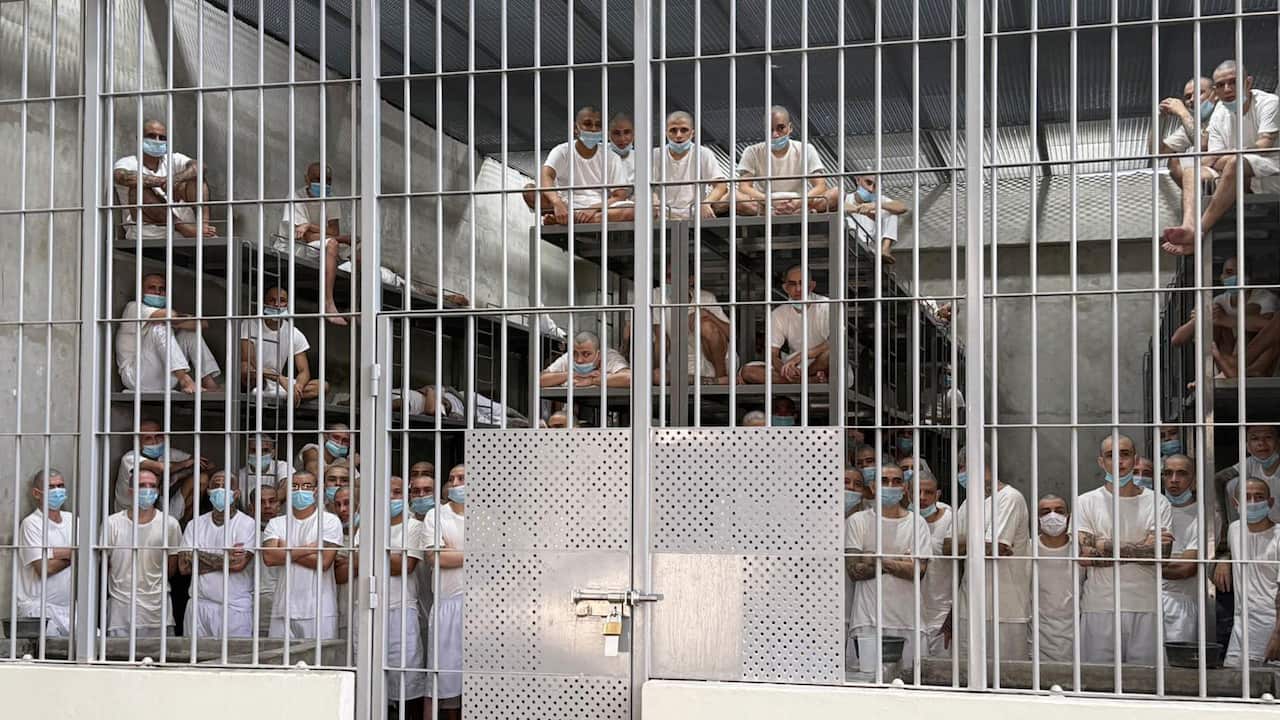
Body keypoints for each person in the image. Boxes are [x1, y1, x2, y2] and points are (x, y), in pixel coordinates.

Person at [1162, 60, 1280, 255]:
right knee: (1192, 170)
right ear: (1216, 91)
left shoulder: (1268, 103)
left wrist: (1228, 157)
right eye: (1221, 85)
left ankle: (1198, 232)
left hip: (1271, 170)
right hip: (1236, 173)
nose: (1227, 89)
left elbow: (1264, 147)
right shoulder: (1220, 114)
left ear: (1248, 82)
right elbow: (1211, 159)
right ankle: (1188, 226)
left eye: (1234, 82)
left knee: (1234, 162)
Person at [1075, 433, 1174, 664]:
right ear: (1101, 462)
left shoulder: (1157, 501)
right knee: (1097, 686)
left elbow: (1162, 555)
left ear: (1135, 459)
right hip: (1100, 606)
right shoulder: (1086, 502)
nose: (1119, 461)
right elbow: (1086, 556)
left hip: (1146, 606)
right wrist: (1143, 548)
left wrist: (1103, 544)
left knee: (1148, 687)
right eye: (1111, 456)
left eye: (1125, 455)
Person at [340, 476, 427, 705]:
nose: (391, 498)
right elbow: (354, 566)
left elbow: (405, 567)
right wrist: (389, 556)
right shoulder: (365, 528)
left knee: (406, 680)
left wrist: (369, 555)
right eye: (386, 492)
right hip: (367, 610)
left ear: (405, 496)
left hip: (401, 609)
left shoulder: (414, 527)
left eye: (396, 492)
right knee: (368, 680)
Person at [947, 443, 1032, 661]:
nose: (959, 474)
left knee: (1007, 681)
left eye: (961, 467)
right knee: (967, 677)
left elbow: (997, 547)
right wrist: (979, 541)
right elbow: (947, 547)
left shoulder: (1009, 498)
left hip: (1006, 611)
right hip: (969, 609)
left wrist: (966, 542)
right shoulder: (968, 503)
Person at [845, 462, 933, 670]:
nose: (890, 485)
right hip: (868, 621)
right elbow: (854, 571)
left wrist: (876, 559)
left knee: (913, 686)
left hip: (909, 620)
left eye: (897, 481)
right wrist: (900, 561)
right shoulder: (858, 521)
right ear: (873, 487)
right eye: (884, 481)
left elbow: (917, 571)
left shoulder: (917, 523)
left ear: (904, 488)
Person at [262, 471, 344, 640]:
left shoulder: (329, 521)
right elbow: (269, 558)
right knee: (280, 664)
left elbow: (324, 562)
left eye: (306, 486)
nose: (300, 490)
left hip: (319, 610)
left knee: (320, 664)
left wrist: (287, 549)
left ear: (316, 490)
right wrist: (309, 549)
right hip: (282, 609)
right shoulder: (276, 523)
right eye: (294, 486)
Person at [102, 469, 183, 637]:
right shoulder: (112, 523)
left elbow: (172, 569)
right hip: (121, 609)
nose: (148, 490)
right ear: (130, 491)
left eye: (152, 486)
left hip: (157, 609)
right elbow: (104, 565)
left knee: (160, 660)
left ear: (159, 490)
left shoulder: (170, 524)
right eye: (141, 485)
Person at [522, 106, 634, 225]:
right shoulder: (562, 151)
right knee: (529, 191)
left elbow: (620, 196)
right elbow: (546, 175)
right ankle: (570, 217)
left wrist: (593, 208)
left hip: (600, 208)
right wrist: (557, 203)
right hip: (566, 207)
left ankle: (570, 220)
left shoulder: (611, 156)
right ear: (576, 128)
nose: (593, 129)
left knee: (632, 211)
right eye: (588, 124)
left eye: (598, 125)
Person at [178, 471, 257, 638]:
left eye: (226, 486)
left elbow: (238, 565)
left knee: (234, 661)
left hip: (234, 608)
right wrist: (226, 559)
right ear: (208, 491)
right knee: (194, 660)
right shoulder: (195, 524)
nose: (220, 490)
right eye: (215, 486)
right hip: (198, 607)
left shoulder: (248, 524)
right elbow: (184, 567)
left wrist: (197, 555)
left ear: (236, 493)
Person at [1171, 257, 1278, 378]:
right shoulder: (1220, 301)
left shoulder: (1264, 297)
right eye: (1227, 272)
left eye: (1235, 272)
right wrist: (1199, 319)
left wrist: (1226, 319)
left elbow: (1270, 327)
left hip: (1254, 359)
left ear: (1248, 277)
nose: (1230, 277)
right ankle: (1211, 373)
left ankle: (1245, 367)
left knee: (1250, 316)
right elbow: (1177, 340)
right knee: (1214, 318)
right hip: (1226, 356)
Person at [114, 273, 221, 393]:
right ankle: (185, 380)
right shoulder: (133, 307)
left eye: (162, 289)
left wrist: (176, 322)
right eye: (152, 288)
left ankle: (209, 383)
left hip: (164, 376)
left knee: (189, 334)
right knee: (160, 325)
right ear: (141, 291)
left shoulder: (162, 313)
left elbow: (202, 324)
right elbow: (169, 316)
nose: (158, 292)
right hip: (137, 376)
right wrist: (178, 320)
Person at [112, 118, 214, 239]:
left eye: (162, 138)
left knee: (196, 178)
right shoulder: (127, 162)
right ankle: (182, 227)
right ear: (139, 138)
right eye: (151, 136)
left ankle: (203, 227)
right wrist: (164, 182)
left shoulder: (173, 159)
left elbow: (200, 166)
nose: (157, 141)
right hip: (147, 233)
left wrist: (176, 180)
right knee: (138, 189)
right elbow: (122, 177)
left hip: (186, 233)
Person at [278, 163, 353, 325]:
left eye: (328, 181)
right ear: (307, 179)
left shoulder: (331, 198)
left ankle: (358, 306)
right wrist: (337, 238)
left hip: (317, 246)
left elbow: (333, 230)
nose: (323, 184)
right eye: (318, 179)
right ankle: (328, 303)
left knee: (359, 246)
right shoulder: (295, 197)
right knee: (332, 244)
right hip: (294, 247)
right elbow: (307, 238)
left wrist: (309, 225)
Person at [1218, 479, 1280, 667]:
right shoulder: (1234, 530)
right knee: (1236, 687)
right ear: (1236, 504)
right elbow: (1229, 548)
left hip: (1272, 627)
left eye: (1259, 497)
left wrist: (1278, 635)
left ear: (1270, 502)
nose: (1252, 502)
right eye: (1246, 497)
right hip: (1241, 627)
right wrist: (1224, 559)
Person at [421, 464, 466, 718]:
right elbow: (436, 558)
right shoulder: (436, 515)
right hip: (447, 603)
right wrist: (478, 554)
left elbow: (498, 560)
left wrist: (452, 551)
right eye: (452, 478)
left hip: (481, 607)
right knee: (441, 682)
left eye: (462, 478)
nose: (456, 483)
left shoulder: (487, 516)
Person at [740, 265, 831, 384]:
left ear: (812, 286)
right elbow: (772, 354)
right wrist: (784, 369)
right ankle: (806, 381)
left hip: (817, 364)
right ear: (785, 287)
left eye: (802, 283)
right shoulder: (778, 313)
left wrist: (801, 356)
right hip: (794, 367)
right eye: (793, 284)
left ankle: (801, 379)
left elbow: (833, 342)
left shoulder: (826, 306)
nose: (798, 289)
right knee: (748, 372)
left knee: (831, 354)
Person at [735, 106, 829, 215]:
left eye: (780, 128)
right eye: (770, 130)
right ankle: (782, 212)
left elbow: (821, 185)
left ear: (790, 128)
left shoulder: (806, 149)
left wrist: (799, 202)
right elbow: (744, 187)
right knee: (734, 196)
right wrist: (769, 201)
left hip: (799, 201)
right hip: (764, 204)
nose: (775, 134)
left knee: (837, 192)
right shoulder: (752, 151)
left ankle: (797, 210)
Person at [241, 286, 327, 403]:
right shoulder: (250, 324)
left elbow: (304, 371)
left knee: (323, 386)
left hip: (279, 384)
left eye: (282, 300)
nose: (277, 304)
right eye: (272, 300)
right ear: (264, 303)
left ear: (287, 304)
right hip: (258, 379)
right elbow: (249, 360)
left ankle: (288, 396)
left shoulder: (293, 332)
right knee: (246, 368)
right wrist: (279, 378)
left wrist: (299, 387)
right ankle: (283, 395)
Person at [114, 419, 209, 524]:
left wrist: (181, 474)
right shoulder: (130, 458)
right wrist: (184, 464)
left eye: (158, 436)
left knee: (202, 479)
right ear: (138, 442)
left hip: (159, 507)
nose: (155, 442)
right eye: (148, 438)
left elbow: (207, 465)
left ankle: (185, 525)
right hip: (129, 515)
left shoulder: (167, 453)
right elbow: (160, 468)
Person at [17, 468, 75, 636]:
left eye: (61, 485)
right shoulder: (31, 524)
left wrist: (52, 553)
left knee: (94, 644)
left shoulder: (73, 521)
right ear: (37, 493)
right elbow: (44, 569)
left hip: (69, 608)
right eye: (51, 487)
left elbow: (89, 556)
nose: (58, 491)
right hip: (38, 609)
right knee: (48, 655)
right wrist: (74, 553)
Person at [648, 272, 733, 384]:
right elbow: (662, 341)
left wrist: (708, 315)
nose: (668, 280)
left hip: (715, 362)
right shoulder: (657, 296)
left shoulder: (706, 298)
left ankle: (721, 377)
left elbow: (732, 334)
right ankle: (716, 381)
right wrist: (656, 375)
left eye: (673, 276)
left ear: (691, 280)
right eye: (666, 276)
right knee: (657, 375)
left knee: (705, 325)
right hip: (681, 366)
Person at [1161, 453, 1210, 644]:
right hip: (1144, 602)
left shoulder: (1204, 515)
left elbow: (1186, 568)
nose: (1174, 480)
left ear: (1195, 479)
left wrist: (1140, 562)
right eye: (1168, 473)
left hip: (1181, 605)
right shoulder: (1152, 508)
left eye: (1181, 473)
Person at [651, 110, 728, 219]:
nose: (678, 135)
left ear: (693, 133)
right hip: (662, 215)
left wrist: (706, 203)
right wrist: (653, 199)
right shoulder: (655, 155)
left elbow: (721, 185)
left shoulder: (703, 153)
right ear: (665, 132)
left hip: (695, 214)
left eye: (684, 130)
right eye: (673, 130)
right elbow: (646, 186)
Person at [826, 174, 908, 264]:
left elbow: (902, 207)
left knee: (892, 212)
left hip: (870, 246)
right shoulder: (846, 198)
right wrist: (857, 209)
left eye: (875, 186)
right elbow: (830, 207)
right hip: (848, 240)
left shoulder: (880, 199)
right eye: (868, 183)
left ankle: (885, 249)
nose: (870, 189)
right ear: (858, 180)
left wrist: (876, 205)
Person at [1035, 494, 1078, 662]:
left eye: (1059, 511)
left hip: (1075, 636)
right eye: (1045, 512)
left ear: (1068, 517)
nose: (1052, 516)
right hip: (1037, 638)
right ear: (1037, 519)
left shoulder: (1080, 551)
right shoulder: (1028, 550)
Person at [915, 470, 954, 656]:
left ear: (938, 494)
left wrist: (953, 616)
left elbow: (964, 571)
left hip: (943, 613)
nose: (922, 497)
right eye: (917, 491)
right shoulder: (904, 521)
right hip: (911, 613)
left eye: (928, 492)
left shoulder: (951, 520)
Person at [1159, 76, 1216, 186]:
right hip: (1208, 173)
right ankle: (1196, 197)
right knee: (1174, 161)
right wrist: (1160, 119)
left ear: (1215, 94)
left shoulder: (1223, 111)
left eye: (1199, 93)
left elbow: (1202, 144)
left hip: (1232, 169)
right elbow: (1158, 151)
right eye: (1188, 97)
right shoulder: (1192, 122)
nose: (1192, 100)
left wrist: (1182, 112)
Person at [1222, 425, 1280, 523]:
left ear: (1278, 443)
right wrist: (1223, 519)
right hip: (1255, 527)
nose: (1261, 443)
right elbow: (1219, 479)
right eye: (1255, 438)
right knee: (1233, 484)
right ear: (1247, 447)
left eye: (1268, 437)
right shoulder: (1250, 462)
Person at [539, 330, 632, 388]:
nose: (579, 360)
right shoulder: (568, 356)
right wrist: (575, 374)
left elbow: (629, 379)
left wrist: (592, 381)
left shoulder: (610, 356)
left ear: (598, 355)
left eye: (586, 354)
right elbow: (540, 380)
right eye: (575, 354)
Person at [237, 435, 293, 500]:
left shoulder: (282, 466)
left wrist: (262, 506)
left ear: (273, 453)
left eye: (265, 450)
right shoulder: (239, 475)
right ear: (247, 452)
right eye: (254, 450)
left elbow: (286, 489)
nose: (259, 454)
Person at [607, 111, 636, 187]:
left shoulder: (640, 159)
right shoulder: (599, 155)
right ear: (608, 135)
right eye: (616, 133)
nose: (622, 139)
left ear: (634, 134)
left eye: (627, 132)